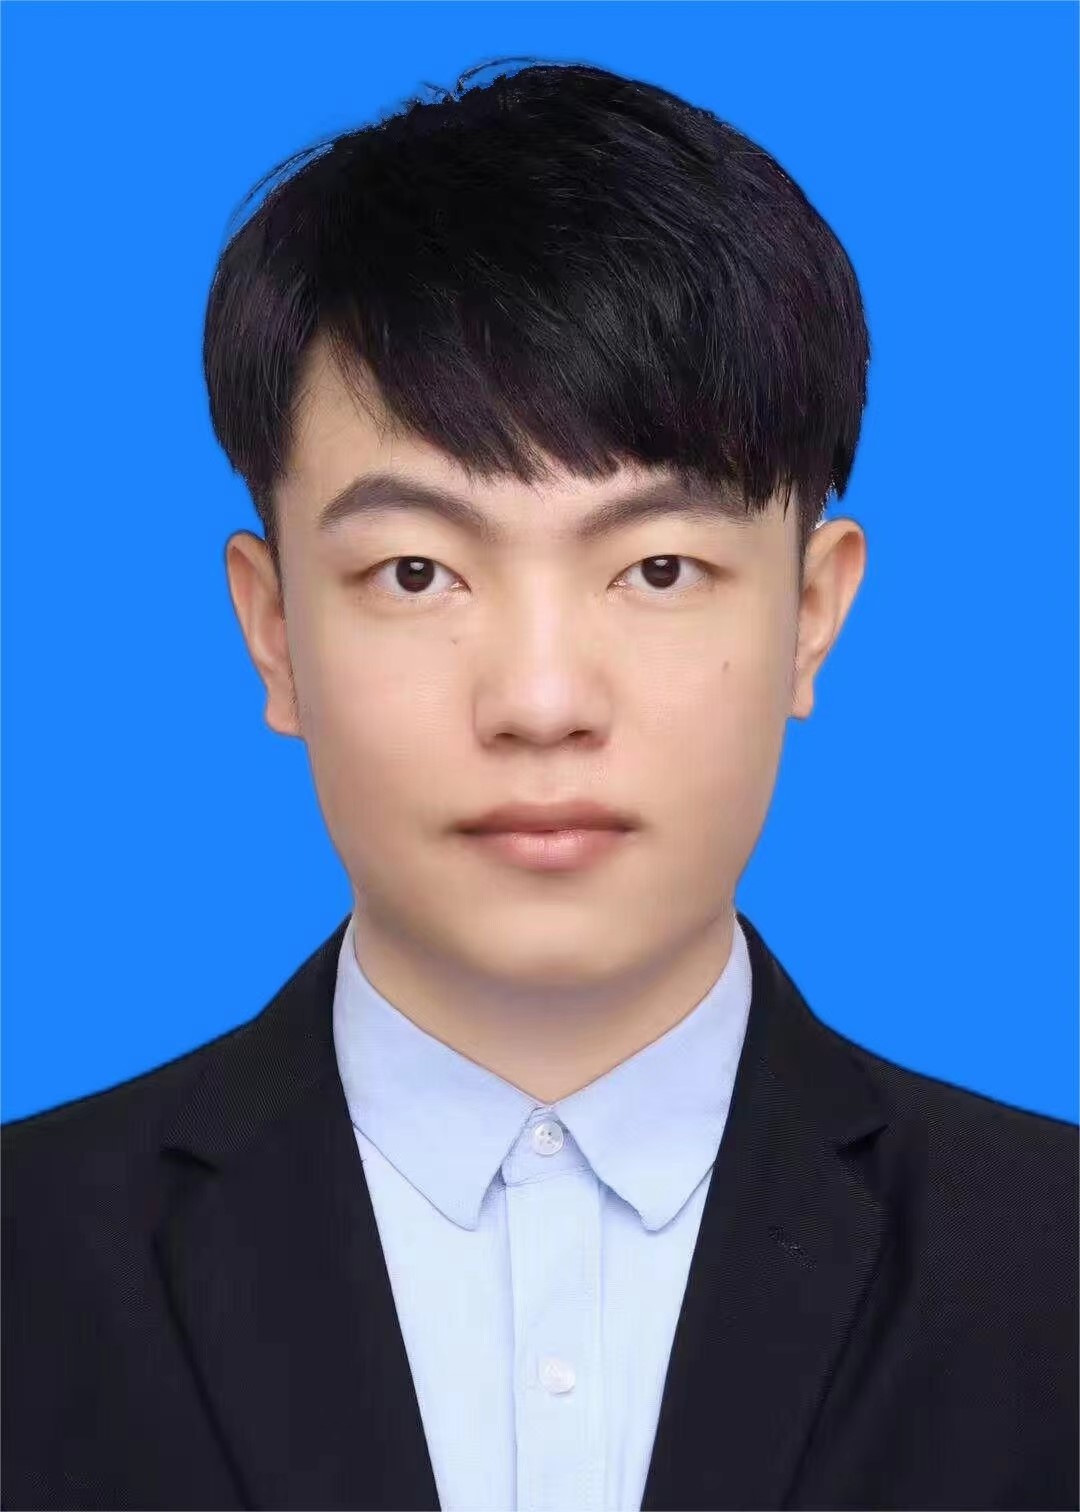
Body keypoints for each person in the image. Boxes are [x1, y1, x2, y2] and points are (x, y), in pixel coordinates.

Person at [2, 57, 1075, 1512]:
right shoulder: (30, 1265)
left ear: (812, 615)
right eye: (417, 572)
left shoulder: (1052, 1269)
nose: (542, 703)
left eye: (658, 567)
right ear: (274, 634)